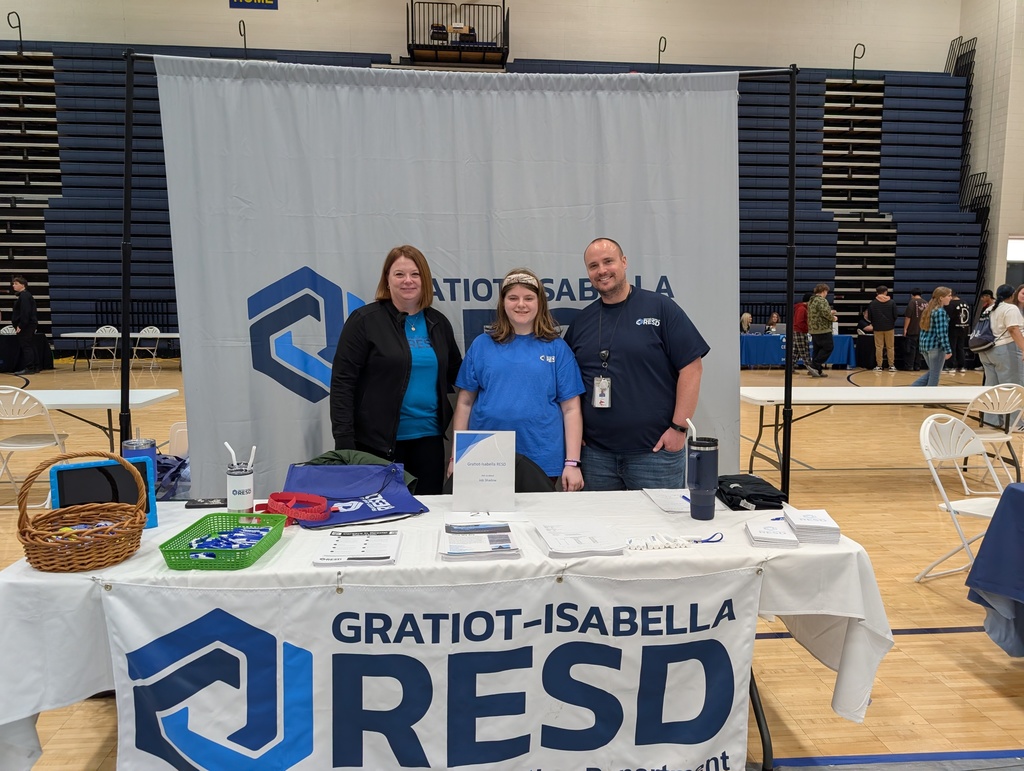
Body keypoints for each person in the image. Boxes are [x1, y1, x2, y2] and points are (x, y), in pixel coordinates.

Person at [564, 238, 709, 490]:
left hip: (655, 454)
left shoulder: (661, 308)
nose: (602, 270)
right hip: (596, 457)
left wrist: (678, 428)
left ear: (624, 262)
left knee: (661, 528)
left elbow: (692, 367)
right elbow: (567, 386)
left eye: (608, 261)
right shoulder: (582, 322)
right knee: (601, 529)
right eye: (593, 265)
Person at [329, 245, 463, 495]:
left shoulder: (438, 323)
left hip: (429, 442)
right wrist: (344, 444)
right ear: (387, 280)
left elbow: (459, 375)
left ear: (425, 280)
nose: (408, 281)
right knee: (381, 517)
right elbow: (342, 384)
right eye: (399, 274)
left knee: (427, 515)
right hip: (376, 445)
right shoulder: (365, 321)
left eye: (415, 274)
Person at [451, 268, 584, 490]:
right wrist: (456, 457)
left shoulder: (557, 348)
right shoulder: (482, 345)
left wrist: (572, 463)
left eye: (528, 298)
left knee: (538, 520)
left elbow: (571, 409)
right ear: (503, 303)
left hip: (541, 455)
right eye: (513, 297)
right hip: (484, 455)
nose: (521, 304)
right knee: (487, 521)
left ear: (539, 302)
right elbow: (464, 403)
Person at [977, 284, 1024, 396]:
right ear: (1013, 295)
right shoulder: (1010, 308)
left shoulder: (989, 308)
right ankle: (1014, 414)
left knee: (992, 388)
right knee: (1013, 388)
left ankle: (990, 413)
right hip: (1004, 349)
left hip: (987, 350)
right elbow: (1013, 329)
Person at [909, 287, 952, 387]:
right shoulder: (940, 312)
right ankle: (930, 400)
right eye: (949, 296)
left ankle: (911, 391)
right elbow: (942, 333)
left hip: (926, 346)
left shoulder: (928, 310)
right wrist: (948, 350)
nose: (950, 298)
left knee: (932, 372)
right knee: (935, 375)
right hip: (935, 347)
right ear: (941, 298)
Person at [806, 283, 836, 378]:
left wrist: (828, 312)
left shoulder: (811, 301)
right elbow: (825, 313)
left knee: (817, 349)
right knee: (828, 347)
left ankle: (817, 370)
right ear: (823, 291)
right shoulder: (822, 300)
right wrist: (833, 317)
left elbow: (817, 313)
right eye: (826, 292)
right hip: (823, 329)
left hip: (813, 329)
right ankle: (814, 365)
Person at [11, 276, 38, 376]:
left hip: (26, 325)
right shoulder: (25, 296)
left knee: (26, 346)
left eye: (16, 284)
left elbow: (25, 312)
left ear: (23, 285)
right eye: (13, 284)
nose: (13, 285)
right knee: (30, 345)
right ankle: (35, 366)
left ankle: (30, 367)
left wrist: (21, 325)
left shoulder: (24, 296)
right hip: (29, 324)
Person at [867, 285, 898, 371]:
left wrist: (874, 323)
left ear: (877, 293)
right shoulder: (892, 302)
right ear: (886, 292)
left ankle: (879, 365)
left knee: (879, 347)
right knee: (890, 347)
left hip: (877, 328)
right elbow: (895, 315)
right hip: (889, 327)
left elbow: (869, 317)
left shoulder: (873, 303)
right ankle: (891, 365)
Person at [902, 288, 928, 371]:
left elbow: (908, 317)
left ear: (912, 294)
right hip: (923, 330)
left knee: (911, 349)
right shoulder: (926, 303)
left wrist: (905, 329)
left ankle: (909, 366)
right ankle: (917, 366)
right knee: (920, 349)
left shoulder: (912, 302)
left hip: (913, 329)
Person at [947, 290, 971, 373]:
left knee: (952, 347)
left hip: (953, 328)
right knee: (960, 347)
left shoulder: (951, 304)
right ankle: (961, 366)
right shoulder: (965, 303)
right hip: (964, 328)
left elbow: (948, 317)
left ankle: (951, 366)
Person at [791, 292, 811, 367]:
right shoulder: (802, 309)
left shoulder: (801, 308)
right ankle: (810, 367)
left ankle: (791, 366)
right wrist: (807, 328)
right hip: (800, 331)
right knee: (804, 350)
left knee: (796, 351)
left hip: (799, 330)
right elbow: (799, 322)